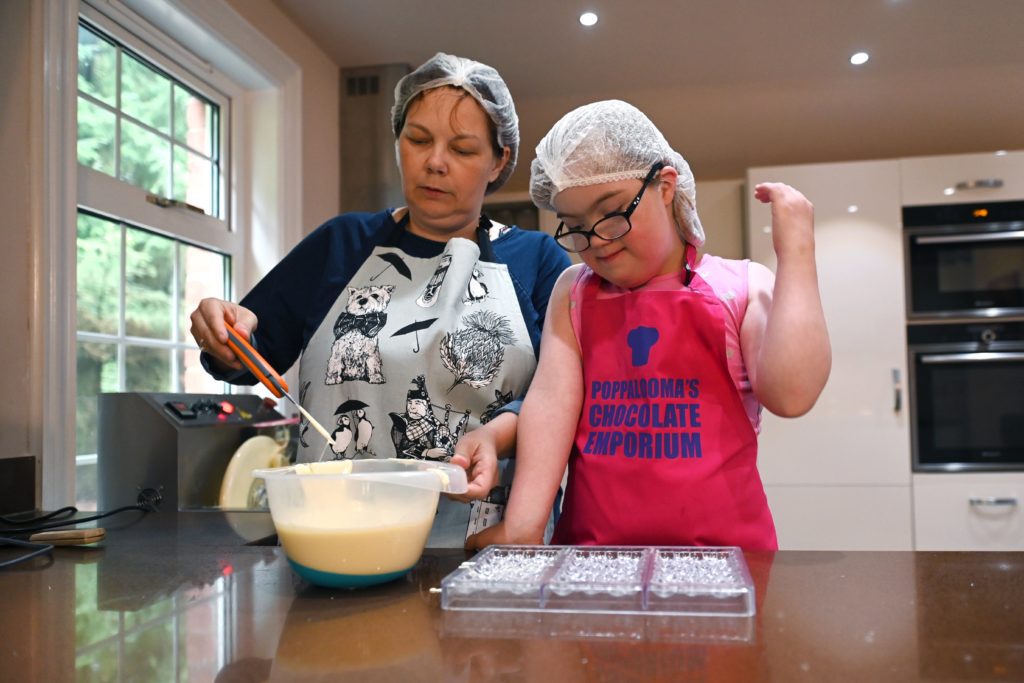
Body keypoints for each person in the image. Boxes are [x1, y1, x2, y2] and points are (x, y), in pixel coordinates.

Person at [189, 53, 570, 547]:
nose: (435, 162)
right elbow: (250, 356)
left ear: (499, 160)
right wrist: (226, 332)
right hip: (332, 536)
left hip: (479, 544)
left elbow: (563, 399)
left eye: (462, 148)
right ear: (398, 142)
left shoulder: (536, 261)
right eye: (417, 140)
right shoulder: (341, 244)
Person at [467, 100, 831, 551]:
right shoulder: (574, 291)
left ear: (664, 185)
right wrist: (523, 526)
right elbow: (549, 405)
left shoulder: (738, 288)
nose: (596, 241)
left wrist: (795, 253)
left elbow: (792, 394)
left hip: (724, 564)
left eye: (612, 212)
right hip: (593, 562)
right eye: (575, 226)